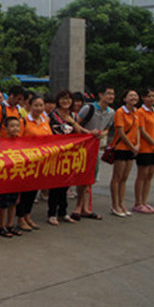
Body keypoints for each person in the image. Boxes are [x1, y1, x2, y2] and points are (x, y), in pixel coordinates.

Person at [72, 85, 115, 220]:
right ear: (100, 95)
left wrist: (103, 134)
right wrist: (88, 133)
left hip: (95, 148)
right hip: (82, 147)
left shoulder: (111, 112)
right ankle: (79, 207)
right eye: (108, 93)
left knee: (90, 177)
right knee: (82, 177)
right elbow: (76, 124)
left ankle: (85, 208)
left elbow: (108, 128)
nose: (111, 96)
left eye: (113, 94)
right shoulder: (88, 108)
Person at [47, 89, 88, 225]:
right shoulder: (52, 115)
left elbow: (79, 132)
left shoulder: (73, 116)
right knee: (55, 184)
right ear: (58, 101)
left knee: (65, 184)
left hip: (69, 155)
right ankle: (52, 213)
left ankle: (63, 212)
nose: (66, 101)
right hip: (55, 154)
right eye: (63, 98)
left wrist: (72, 121)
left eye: (68, 99)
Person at [16, 96, 52, 231]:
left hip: (40, 161)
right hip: (27, 161)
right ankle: (20, 217)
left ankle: (28, 215)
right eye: (36, 105)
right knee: (24, 191)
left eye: (41, 105)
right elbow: (17, 140)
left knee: (34, 190)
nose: (39, 108)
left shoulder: (44, 121)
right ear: (30, 106)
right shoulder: (24, 121)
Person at [109, 89, 141, 217]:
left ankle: (122, 203)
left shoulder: (136, 112)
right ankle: (115, 204)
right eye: (131, 95)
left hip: (132, 148)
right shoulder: (120, 112)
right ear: (124, 99)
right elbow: (121, 132)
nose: (134, 97)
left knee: (124, 178)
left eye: (135, 95)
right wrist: (132, 146)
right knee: (117, 177)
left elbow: (137, 129)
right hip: (121, 148)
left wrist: (137, 145)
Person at [0, 117, 23, 238]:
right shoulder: (2, 144)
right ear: (5, 129)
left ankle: (10, 224)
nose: (15, 128)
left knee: (13, 202)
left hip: (16, 177)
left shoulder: (21, 143)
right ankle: (1, 226)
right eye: (12, 126)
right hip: (5, 178)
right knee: (3, 204)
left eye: (17, 126)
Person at [134, 88, 154, 213]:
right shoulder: (141, 112)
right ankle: (138, 202)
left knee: (150, 175)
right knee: (142, 175)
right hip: (144, 148)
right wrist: (153, 142)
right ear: (143, 98)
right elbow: (142, 130)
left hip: (153, 150)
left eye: (153, 96)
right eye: (149, 96)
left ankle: (145, 202)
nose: (151, 98)